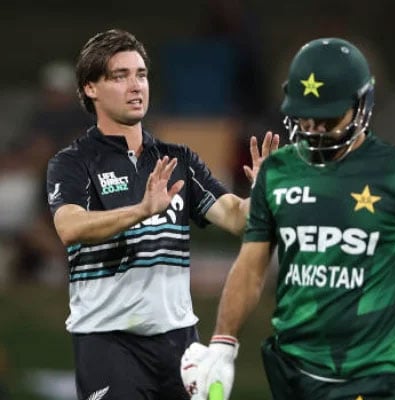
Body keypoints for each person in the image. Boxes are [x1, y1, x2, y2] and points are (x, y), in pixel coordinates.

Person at [179, 37, 395, 400]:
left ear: (363, 105)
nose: (315, 127)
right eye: (306, 117)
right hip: (291, 368)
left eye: (328, 117)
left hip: (372, 372)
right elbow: (251, 265)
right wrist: (223, 343)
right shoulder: (278, 170)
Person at [45, 29, 279, 400]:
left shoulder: (178, 159)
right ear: (90, 88)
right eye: (120, 76)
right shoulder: (73, 162)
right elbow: (70, 227)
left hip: (179, 345)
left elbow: (237, 218)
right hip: (108, 343)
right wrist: (140, 211)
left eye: (141, 74)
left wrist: (266, 193)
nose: (136, 85)